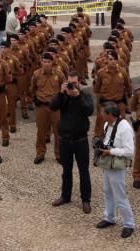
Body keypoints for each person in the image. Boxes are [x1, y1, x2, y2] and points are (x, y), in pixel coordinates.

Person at [51, 70, 95, 214]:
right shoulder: (64, 95)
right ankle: (65, 196)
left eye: (74, 83)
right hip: (65, 140)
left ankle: (86, 200)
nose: (72, 86)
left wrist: (77, 97)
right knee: (66, 171)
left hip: (81, 140)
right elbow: (52, 106)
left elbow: (89, 110)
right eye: (70, 83)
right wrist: (61, 93)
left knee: (84, 172)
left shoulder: (85, 94)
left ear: (79, 82)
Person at [95, 101, 136, 239]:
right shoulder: (108, 124)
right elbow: (108, 141)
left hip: (117, 166)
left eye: (103, 113)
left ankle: (129, 224)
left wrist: (111, 151)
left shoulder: (125, 128)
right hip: (108, 164)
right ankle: (110, 217)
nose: (101, 115)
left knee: (120, 195)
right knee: (107, 191)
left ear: (110, 114)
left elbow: (130, 151)